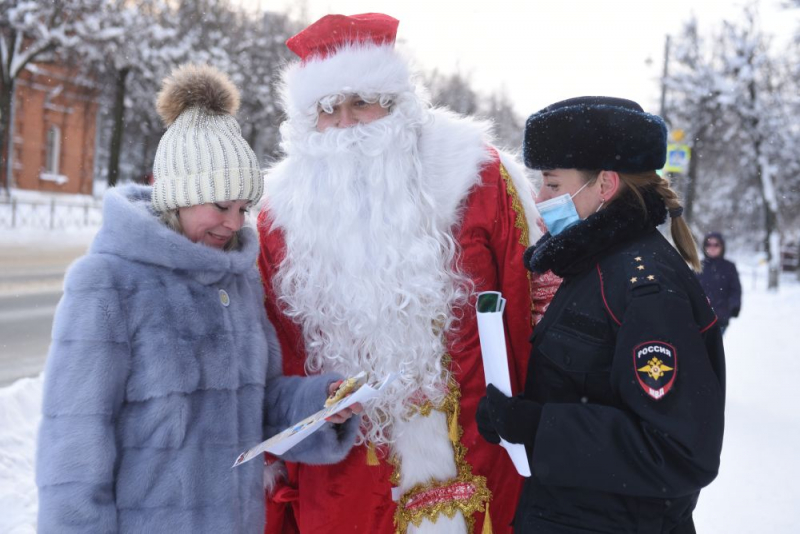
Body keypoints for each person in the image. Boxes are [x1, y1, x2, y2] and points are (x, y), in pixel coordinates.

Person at [257, 13, 557, 534]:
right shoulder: (276, 220)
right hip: (348, 487)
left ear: (397, 104)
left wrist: (546, 430)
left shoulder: (481, 181)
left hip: (481, 458)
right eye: (328, 109)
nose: (346, 123)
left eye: (361, 102)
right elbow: (269, 357)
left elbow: (534, 318)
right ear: (308, 121)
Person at [35, 64, 359, 533]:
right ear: (179, 197)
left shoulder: (239, 283)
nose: (233, 223)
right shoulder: (109, 283)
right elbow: (75, 443)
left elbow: (261, 404)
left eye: (243, 209)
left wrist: (320, 403)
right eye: (220, 206)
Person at [477, 96, 726, 533]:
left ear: (605, 185)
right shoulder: (595, 267)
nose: (538, 199)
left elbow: (678, 452)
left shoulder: (645, 288)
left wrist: (537, 427)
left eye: (552, 185)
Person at [698, 232, 742, 335]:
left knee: (714, 349)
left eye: (716, 244)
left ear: (722, 246)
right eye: (709, 244)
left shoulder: (729, 267)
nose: (712, 247)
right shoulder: (698, 265)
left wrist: (734, 306)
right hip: (700, 318)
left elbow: (735, 290)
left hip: (720, 318)